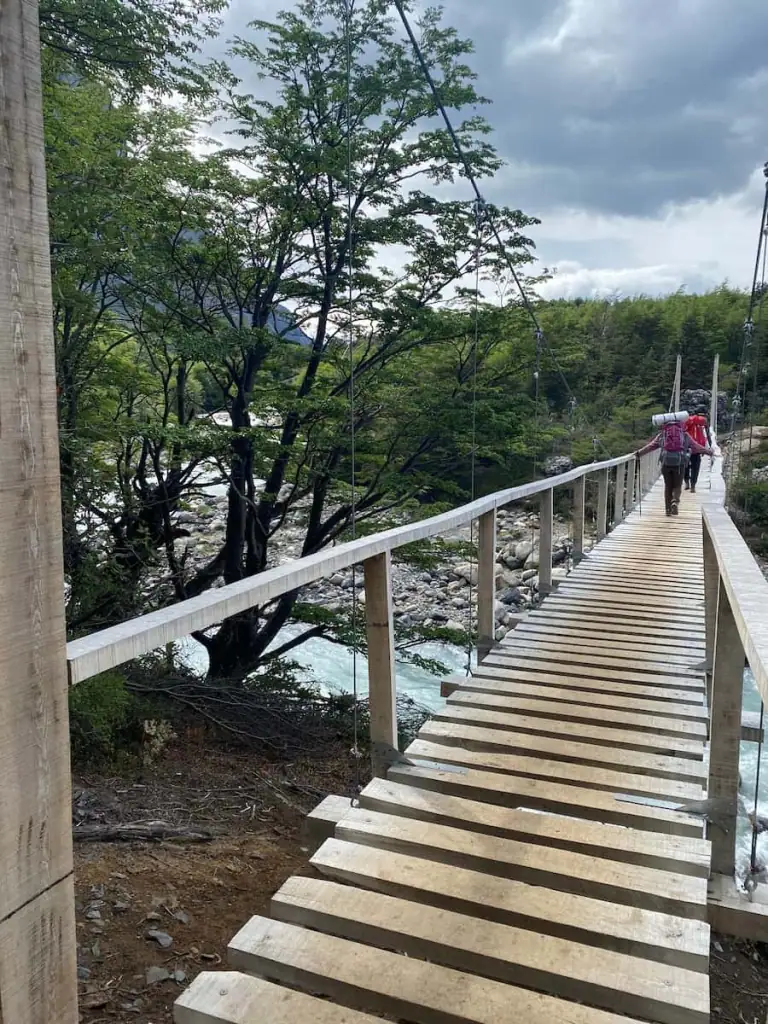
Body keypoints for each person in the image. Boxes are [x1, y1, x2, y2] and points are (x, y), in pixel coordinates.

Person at [636, 417, 713, 516]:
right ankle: (675, 502)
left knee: (668, 486)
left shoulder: (663, 435)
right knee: (677, 485)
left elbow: (651, 446)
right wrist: (709, 452)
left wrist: (638, 453)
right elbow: (696, 447)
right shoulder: (684, 435)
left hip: (666, 463)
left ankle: (667, 510)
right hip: (679, 464)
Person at [683, 410, 711, 493]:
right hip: (696, 449)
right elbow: (704, 436)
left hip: (686, 447)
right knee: (696, 467)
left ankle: (687, 482)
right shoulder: (699, 423)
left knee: (685, 466)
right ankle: (693, 485)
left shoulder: (684, 422)